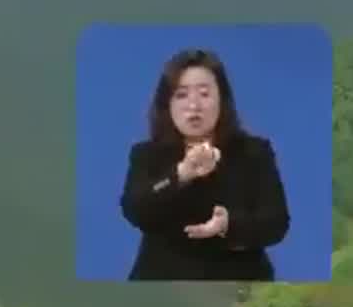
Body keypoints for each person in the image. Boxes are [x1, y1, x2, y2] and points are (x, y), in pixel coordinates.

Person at [119, 48, 290, 281]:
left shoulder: (254, 152)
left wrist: (227, 225)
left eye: (204, 94)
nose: (194, 106)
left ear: (222, 100)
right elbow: (135, 208)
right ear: (166, 104)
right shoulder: (147, 155)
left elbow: (276, 222)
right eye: (181, 95)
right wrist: (180, 174)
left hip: (239, 284)